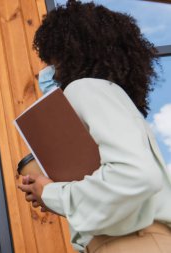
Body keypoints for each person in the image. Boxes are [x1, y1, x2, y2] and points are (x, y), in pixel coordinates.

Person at [18, 1, 171, 252]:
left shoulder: (85, 88)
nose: (45, 71)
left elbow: (136, 175)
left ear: (69, 53)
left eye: (50, 61)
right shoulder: (111, 97)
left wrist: (51, 193)